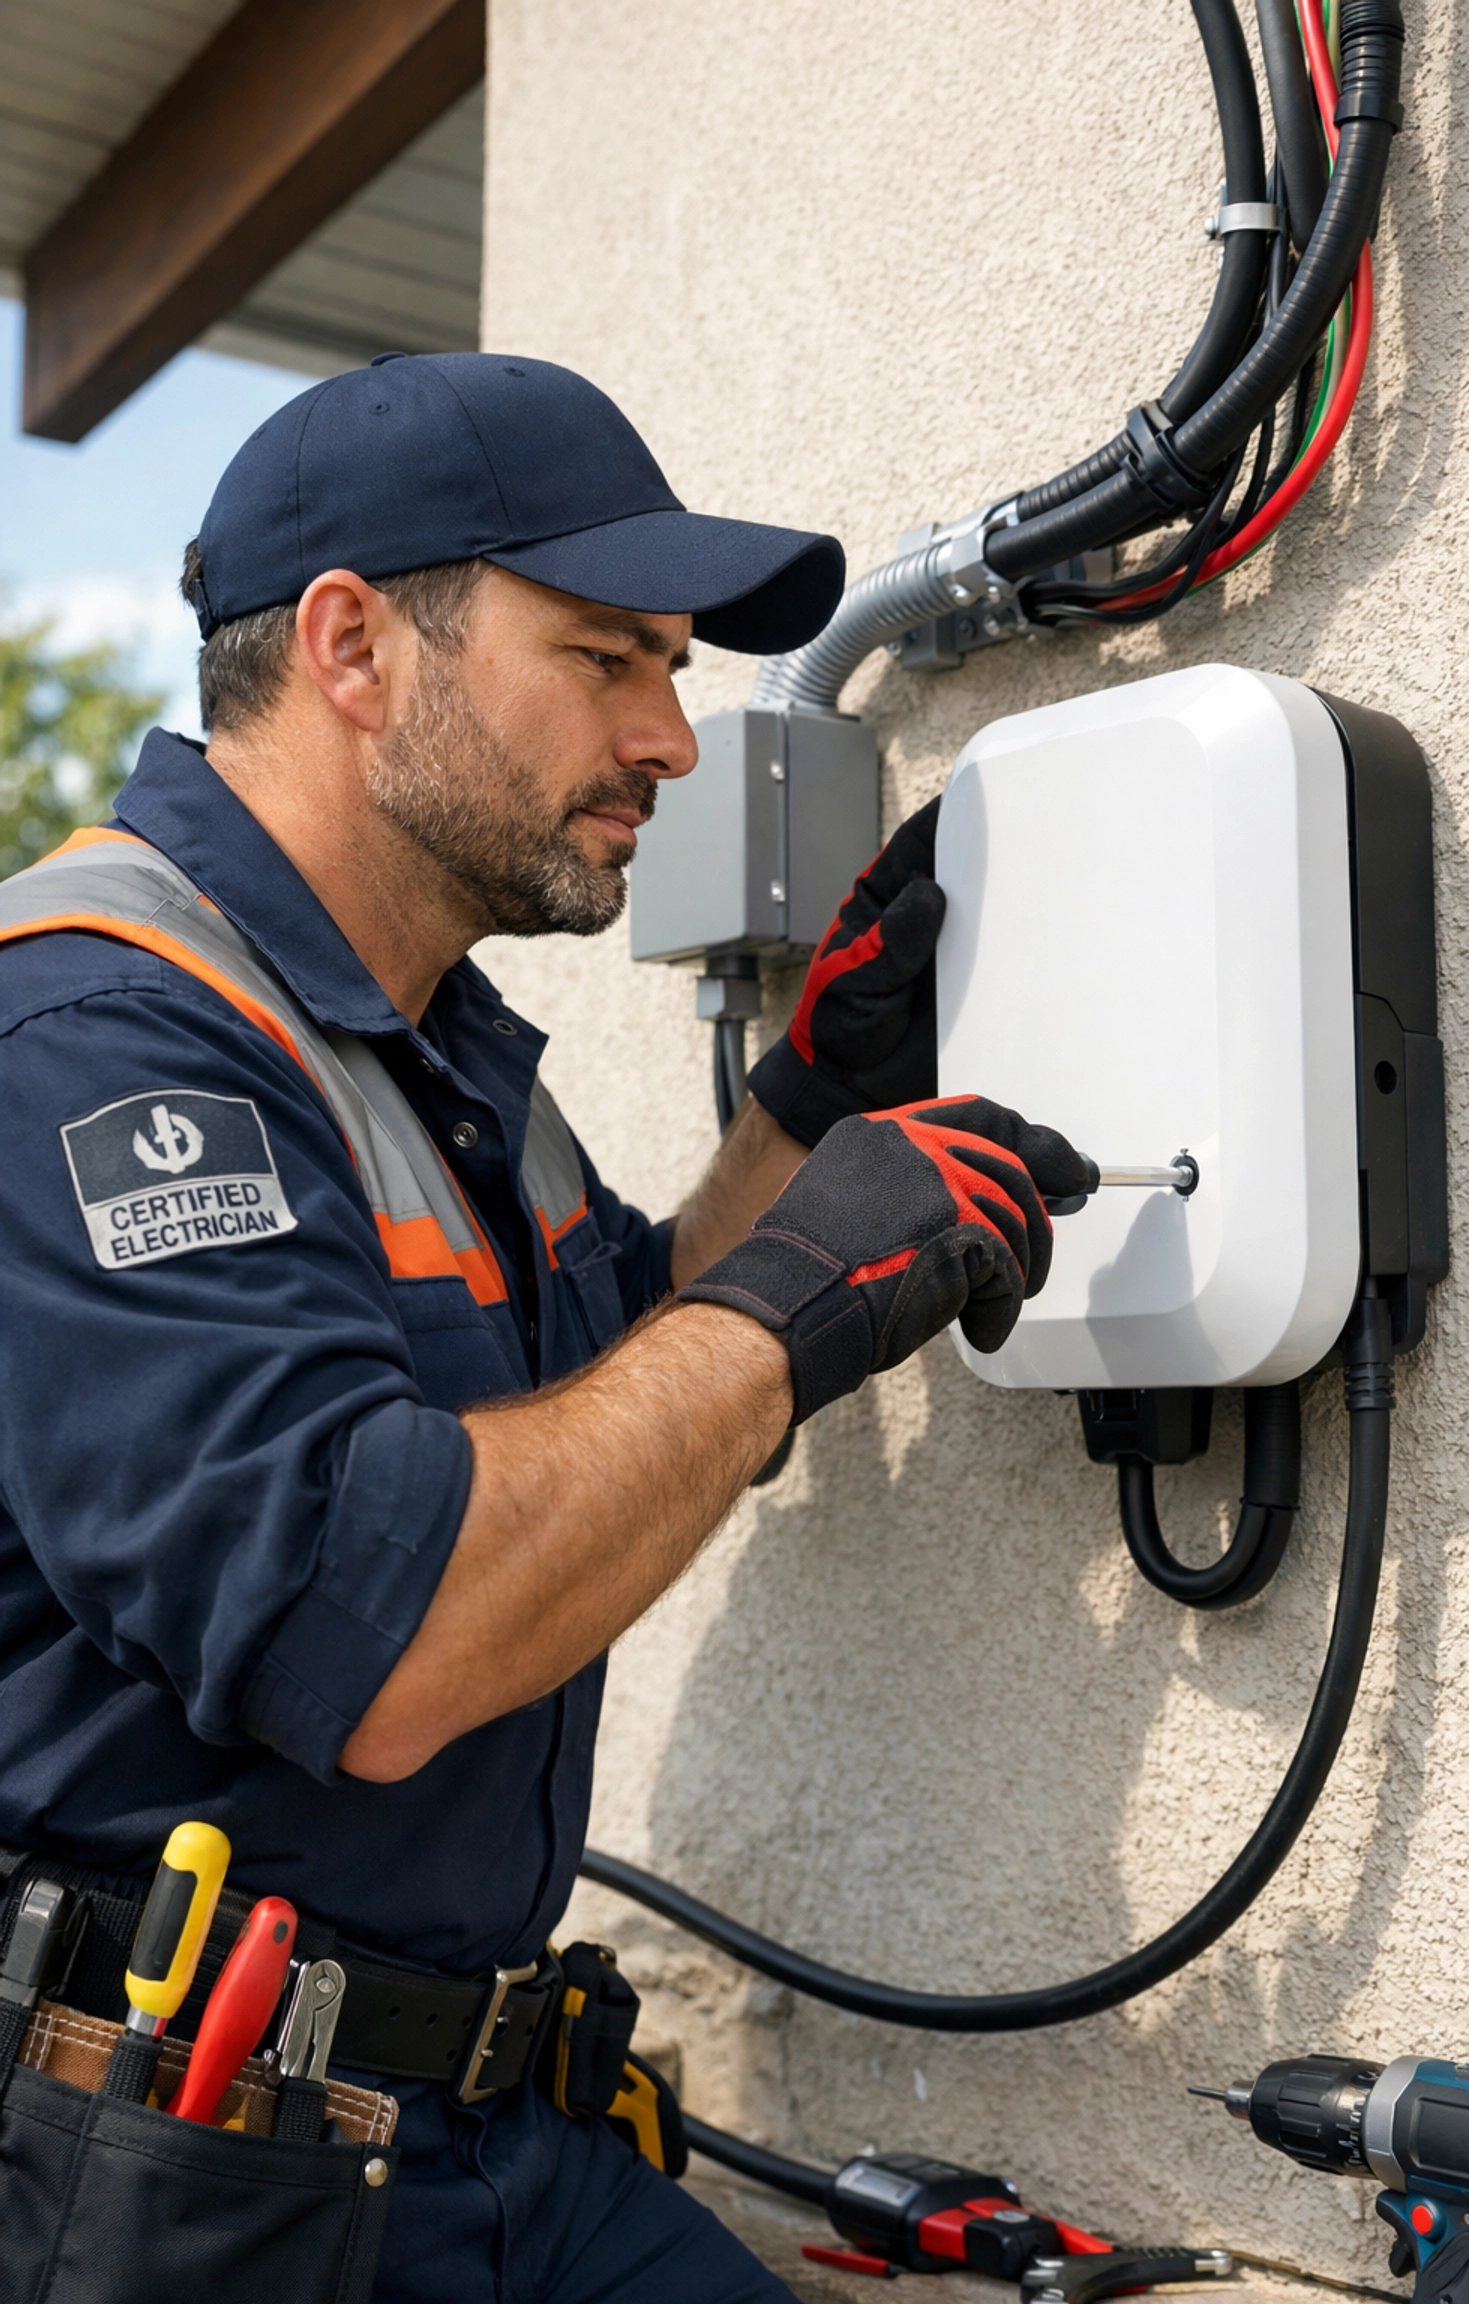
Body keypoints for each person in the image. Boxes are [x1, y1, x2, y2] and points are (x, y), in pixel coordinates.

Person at [0, 353, 1090, 2302]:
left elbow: (604, 1398)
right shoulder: (95, 1043)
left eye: (673, 667)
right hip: (179, 2178)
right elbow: (389, 1627)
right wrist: (793, 1303)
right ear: (353, 647)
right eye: (609, 658)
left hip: (499, 2135)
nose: (673, 736)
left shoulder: (435, 1053)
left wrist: (812, 1118)